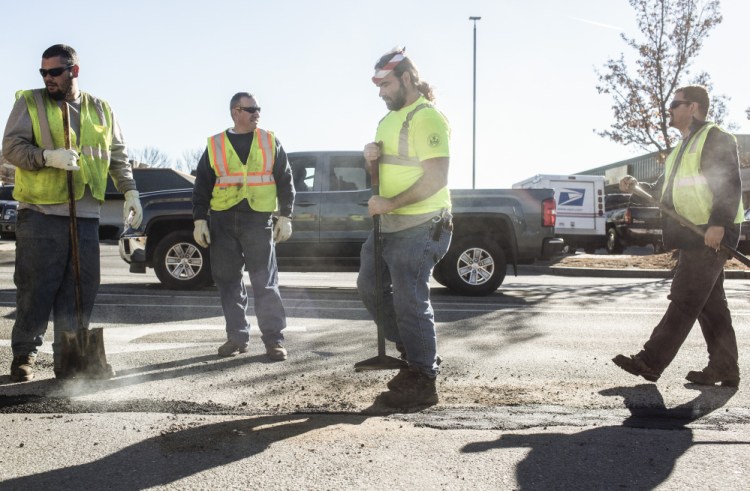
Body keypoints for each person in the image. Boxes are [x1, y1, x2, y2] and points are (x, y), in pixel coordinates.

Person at [3, 44, 142, 382]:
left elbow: (118, 156)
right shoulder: (30, 102)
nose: (47, 78)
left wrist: (130, 192)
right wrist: (48, 157)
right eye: (43, 72)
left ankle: (68, 359)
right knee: (36, 288)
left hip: (85, 215)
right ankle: (24, 354)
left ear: (74, 71)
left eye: (54, 72)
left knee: (80, 287)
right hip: (40, 213)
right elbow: (11, 147)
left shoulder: (101, 109)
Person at [612, 85, 743, 387]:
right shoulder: (683, 147)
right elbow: (664, 191)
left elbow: (729, 183)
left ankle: (650, 361)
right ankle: (725, 368)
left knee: (684, 297)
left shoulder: (715, 138)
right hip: (692, 232)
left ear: (693, 107)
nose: (669, 109)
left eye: (675, 104)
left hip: (709, 232)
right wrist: (637, 185)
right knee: (711, 305)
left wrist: (719, 224)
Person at [358, 48, 453, 408]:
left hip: (423, 223)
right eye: (378, 84)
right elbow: (382, 178)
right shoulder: (386, 122)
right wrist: (372, 162)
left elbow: (437, 178)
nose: (381, 91)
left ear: (407, 78)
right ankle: (415, 356)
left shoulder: (427, 117)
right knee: (370, 287)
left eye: (386, 83)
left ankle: (424, 379)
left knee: (410, 300)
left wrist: (391, 204)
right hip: (389, 224)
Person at [192, 92, 294, 361]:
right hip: (223, 220)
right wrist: (199, 219)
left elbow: (285, 178)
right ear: (235, 112)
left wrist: (286, 215)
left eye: (258, 108)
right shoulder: (215, 144)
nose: (257, 113)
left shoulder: (269, 140)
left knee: (265, 282)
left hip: (258, 219)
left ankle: (274, 341)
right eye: (252, 109)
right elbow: (202, 184)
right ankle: (237, 337)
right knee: (228, 281)